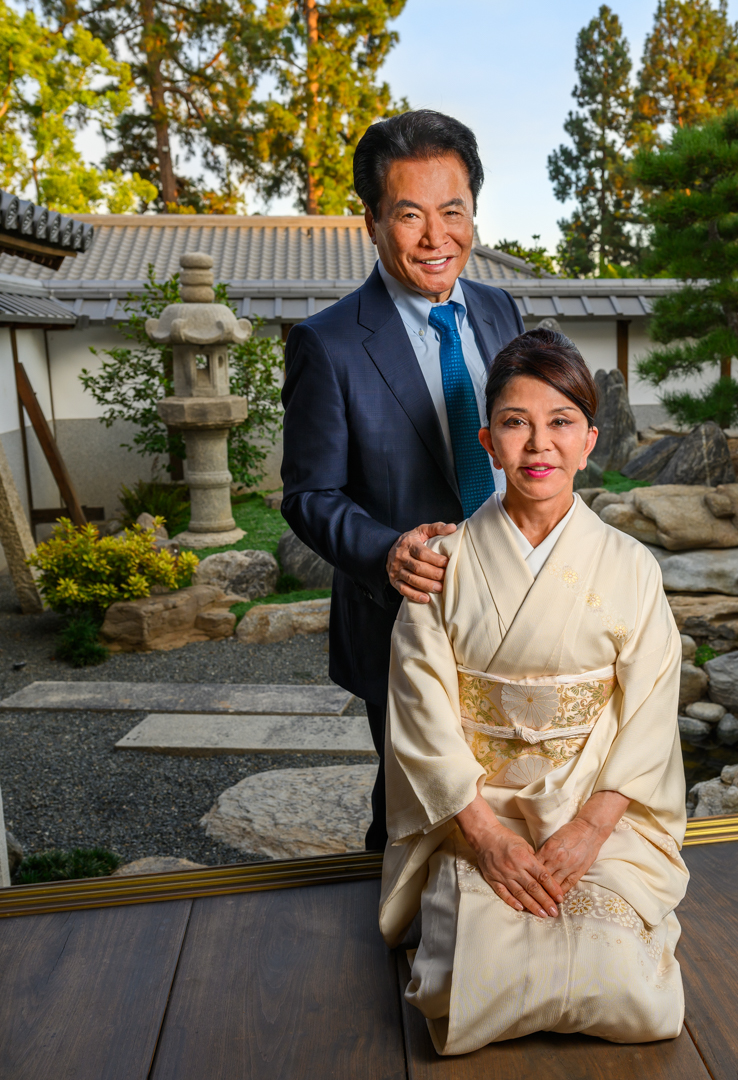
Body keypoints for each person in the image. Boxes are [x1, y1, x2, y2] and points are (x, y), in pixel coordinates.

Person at [380, 329, 689, 1055]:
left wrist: (590, 829)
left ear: (590, 441)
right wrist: (485, 838)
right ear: (487, 440)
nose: (538, 445)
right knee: (470, 989)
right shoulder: (442, 563)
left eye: (561, 423)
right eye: (516, 423)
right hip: (475, 809)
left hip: (596, 809)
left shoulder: (631, 566)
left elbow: (648, 711)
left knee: (631, 993)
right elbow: (419, 710)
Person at [279, 110, 524, 849]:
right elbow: (308, 495)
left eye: (453, 212)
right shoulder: (327, 343)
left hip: (516, 599)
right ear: (373, 222)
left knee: (509, 792)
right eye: (410, 215)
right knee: (416, 809)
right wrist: (388, 551)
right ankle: (400, 942)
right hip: (404, 616)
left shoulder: (499, 308)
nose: (435, 237)